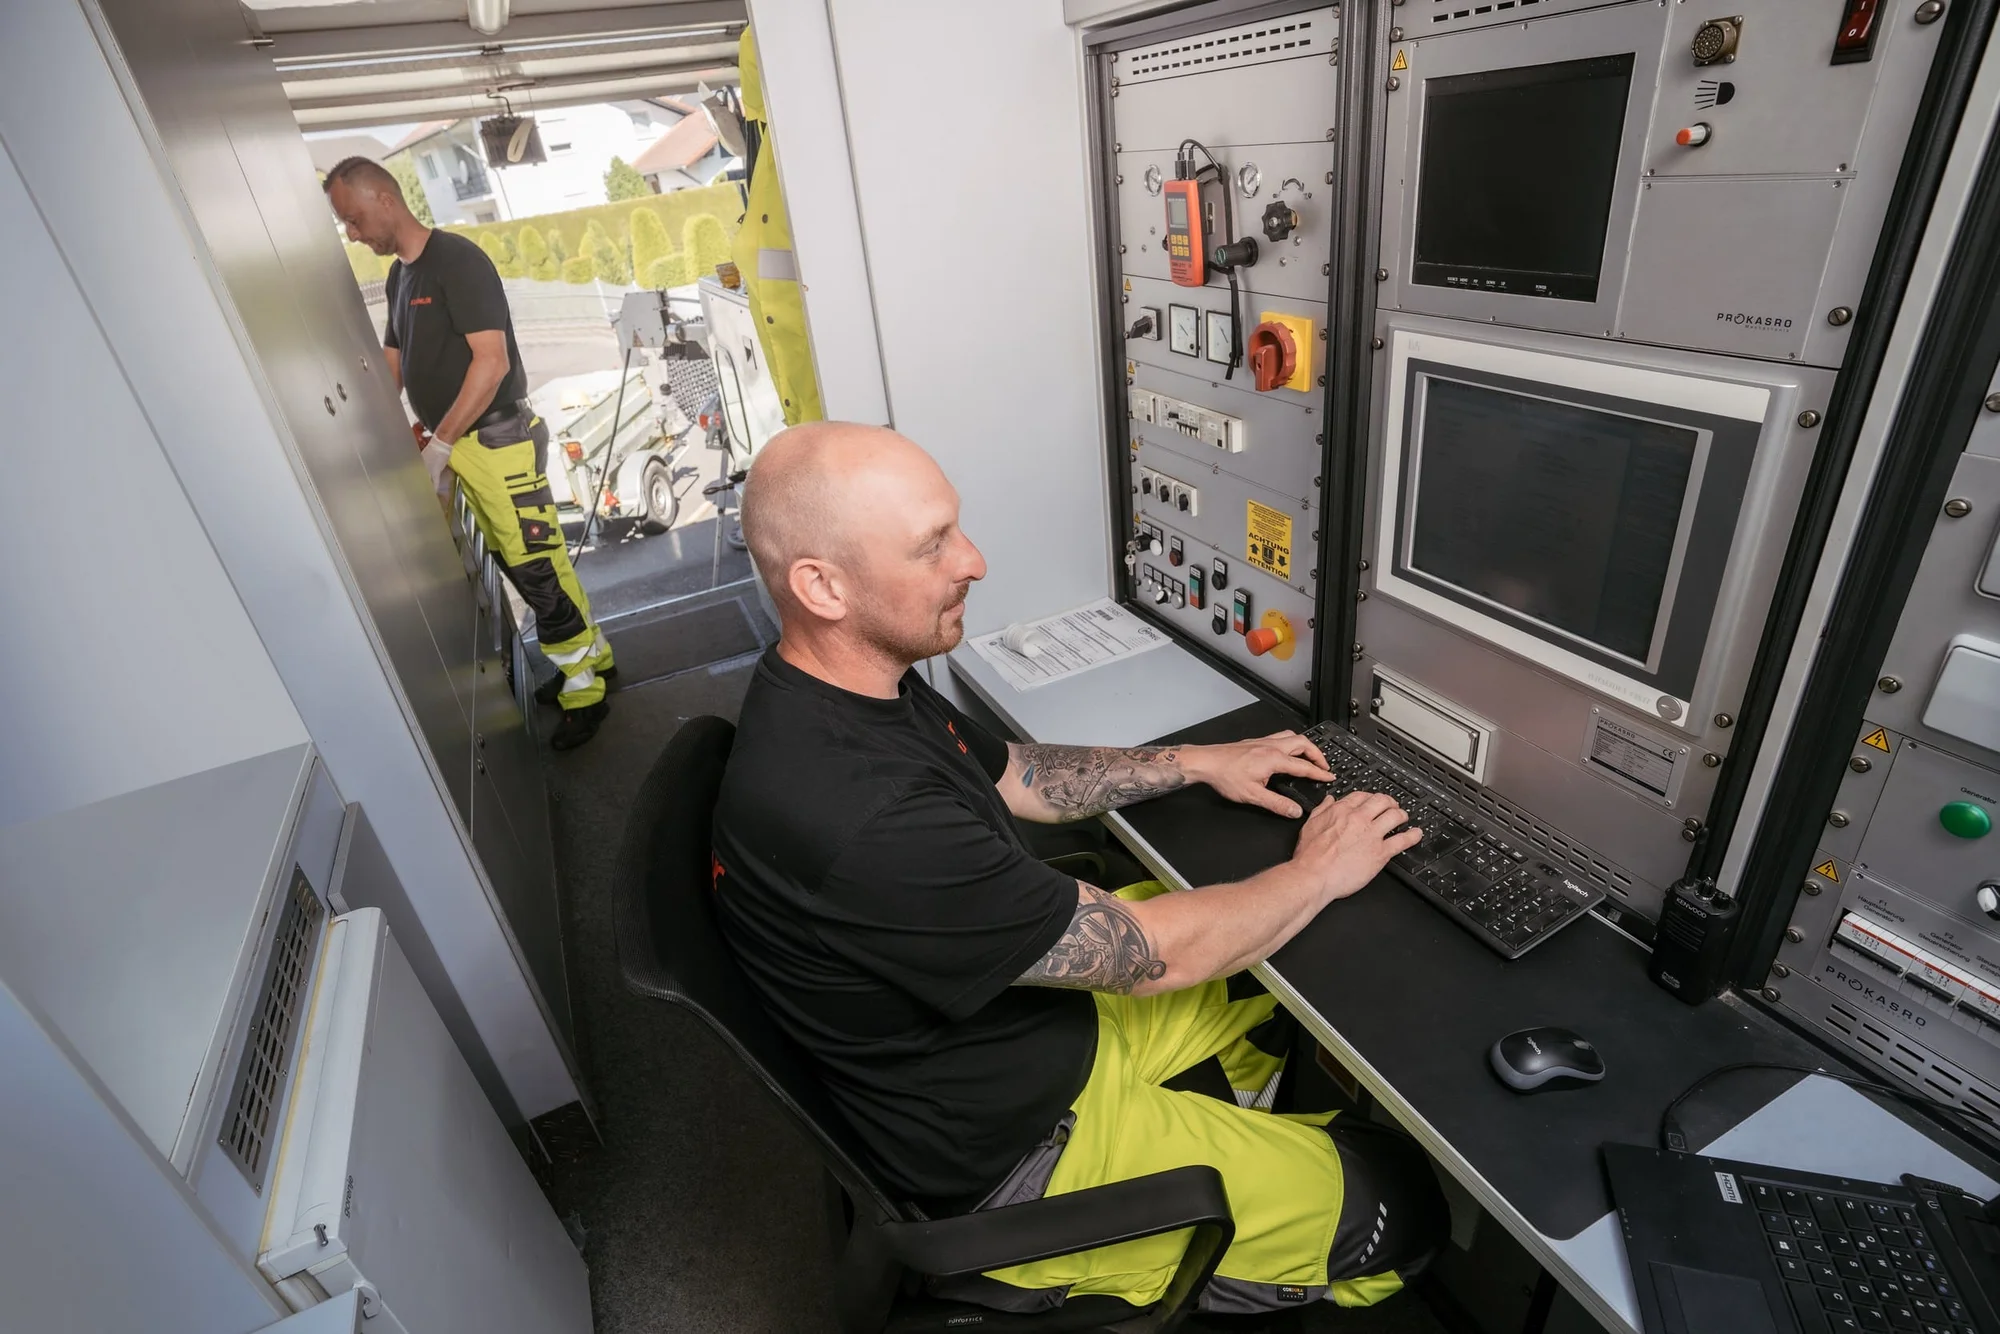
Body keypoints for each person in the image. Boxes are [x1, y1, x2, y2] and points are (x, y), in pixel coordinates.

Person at [711, 421, 1449, 1317]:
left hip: (1024, 1032)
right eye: (931, 545)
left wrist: (1195, 763)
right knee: (1404, 1207)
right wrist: (1319, 873)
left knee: (1274, 982)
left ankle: (1234, 1141)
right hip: (1021, 1148)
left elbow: (1021, 775)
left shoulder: (854, 686)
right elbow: (1156, 957)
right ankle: (1229, 1235)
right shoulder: (856, 815)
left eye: (957, 527)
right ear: (821, 585)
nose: (973, 561)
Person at [323, 157, 615, 751]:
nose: (352, 234)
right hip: (463, 447)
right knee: (532, 562)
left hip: (497, 440)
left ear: (384, 199)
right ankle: (593, 659)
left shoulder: (457, 261)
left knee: (535, 567)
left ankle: (584, 689)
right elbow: (393, 368)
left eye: (353, 219)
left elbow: (493, 361)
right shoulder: (404, 279)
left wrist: (443, 443)